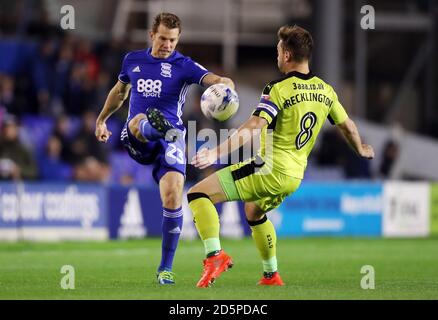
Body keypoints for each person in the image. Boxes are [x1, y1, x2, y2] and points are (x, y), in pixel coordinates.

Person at [187, 25, 374, 288]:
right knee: (253, 211)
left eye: (277, 50)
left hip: (269, 169)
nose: (276, 56)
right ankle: (271, 275)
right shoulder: (326, 91)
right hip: (295, 176)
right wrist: (361, 149)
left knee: (198, 194)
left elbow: (254, 126)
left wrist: (215, 153)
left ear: (286, 54)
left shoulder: (278, 89)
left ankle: (214, 256)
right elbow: (348, 126)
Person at [95, 13, 234, 285]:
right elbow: (120, 92)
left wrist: (226, 84)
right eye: (162, 38)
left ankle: (165, 270)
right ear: (151, 35)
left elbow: (213, 78)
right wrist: (102, 119)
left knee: (172, 196)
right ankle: (157, 128)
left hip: (172, 142)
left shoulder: (184, 65)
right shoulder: (132, 60)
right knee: (137, 121)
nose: (167, 44)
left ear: (177, 39)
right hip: (139, 138)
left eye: (172, 40)